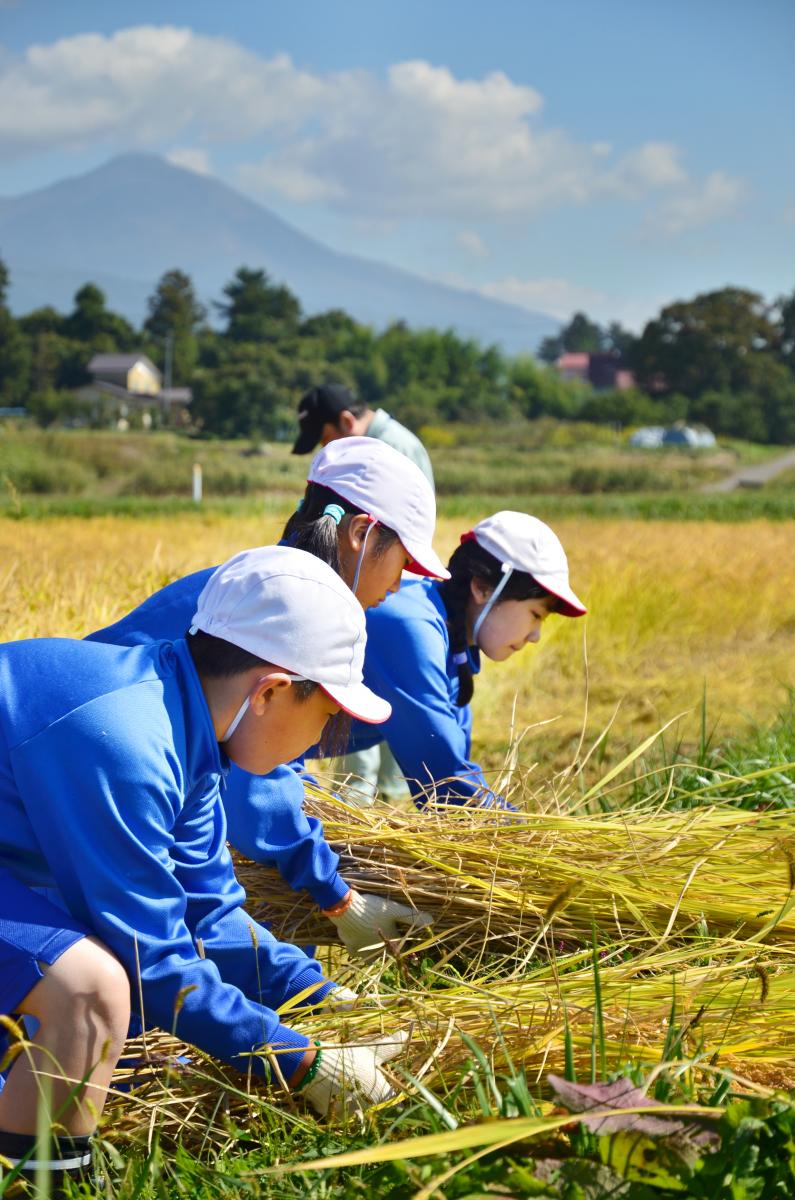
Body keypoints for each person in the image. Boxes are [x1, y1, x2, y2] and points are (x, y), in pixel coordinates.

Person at [0, 547, 407, 1192]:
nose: (319, 744)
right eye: (326, 715)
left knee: (110, 1019)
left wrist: (318, 998)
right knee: (91, 991)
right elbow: (153, 960)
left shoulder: (187, 727)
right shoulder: (127, 743)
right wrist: (300, 1061)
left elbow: (208, 912)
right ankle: (43, 1188)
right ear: (272, 690)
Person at [87, 438, 445, 959]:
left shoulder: (261, 591)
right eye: (405, 559)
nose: (402, 583)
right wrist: (335, 891)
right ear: (362, 533)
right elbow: (253, 786)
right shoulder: (276, 619)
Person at [341, 511, 586, 809]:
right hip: (272, 763)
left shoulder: (455, 653)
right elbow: (446, 782)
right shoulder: (411, 626)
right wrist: (527, 834)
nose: (535, 636)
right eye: (535, 614)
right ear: (482, 587)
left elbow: (454, 776)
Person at [293, 383, 434, 799]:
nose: (329, 451)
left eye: (326, 439)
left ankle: (367, 809)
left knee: (360, 701)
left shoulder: (391, 453)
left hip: (370, 591)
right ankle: (363, 810)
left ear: (347, 422)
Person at [292, 383, 434, 488]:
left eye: (325, 439)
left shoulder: (395, 447)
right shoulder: (370, 449)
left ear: (347, 421)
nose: (326, 450)